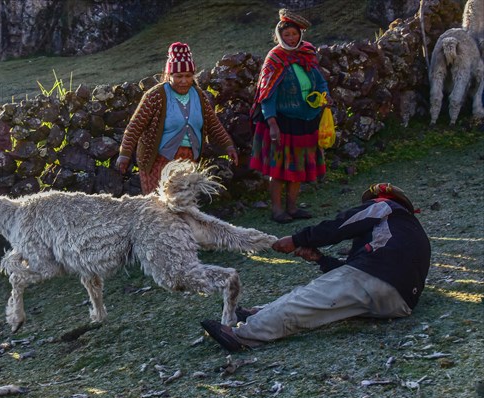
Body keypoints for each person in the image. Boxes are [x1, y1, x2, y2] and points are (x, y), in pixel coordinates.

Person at [201, 183, 431, 352]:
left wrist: (298, 239)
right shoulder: (408, 232)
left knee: (306, 299)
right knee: (320, 300)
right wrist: (321, 259)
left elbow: (341, 226)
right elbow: (357, 273)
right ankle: (259, 312)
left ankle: (242, 335)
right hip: (399, 303)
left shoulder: (385, 207)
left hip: (377, 279)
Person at [116, 42, 238, 194]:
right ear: (169, 75)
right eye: (179, 76)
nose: (184, 80)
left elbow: (213, 124)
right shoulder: (156, 96)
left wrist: (228, 146)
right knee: (159, 207)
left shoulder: (198, 96)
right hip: (158, 161)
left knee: (183, 204)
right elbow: (135, 127)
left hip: (188, 161)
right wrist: (124, 154)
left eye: (188, 76)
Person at [249, 9, 331, 223]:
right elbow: (267, 94)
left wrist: (326, 95)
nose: (291, 38)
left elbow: (320, 80)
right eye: (286, 35)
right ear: (279, 36)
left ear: (300, 35)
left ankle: (292, 208)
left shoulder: (307, 53)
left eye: (294, 34)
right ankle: (277, 210)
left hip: (306, 119)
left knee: (299, 167)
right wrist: (272, 122)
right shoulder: (274, 59)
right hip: (282, 121)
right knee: (279, 169)